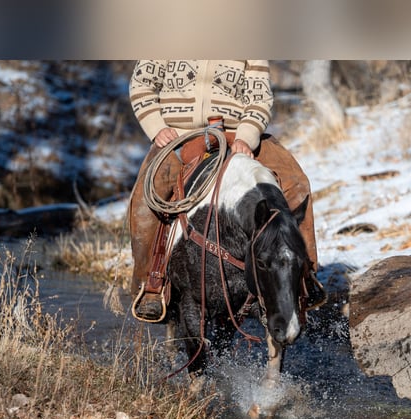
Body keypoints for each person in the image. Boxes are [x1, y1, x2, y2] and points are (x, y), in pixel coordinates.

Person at [127, 60, 324, 322]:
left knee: (295, 183)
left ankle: (304, 278)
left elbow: (260, 97)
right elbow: (142, 85)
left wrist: (247, 136)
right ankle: (151, 284)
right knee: (145, 201)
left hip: (236, 134)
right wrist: (157, 128)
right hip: (178, 136)